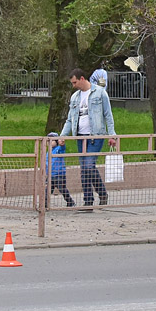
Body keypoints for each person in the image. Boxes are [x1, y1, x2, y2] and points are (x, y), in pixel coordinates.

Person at [58, 68, 117, 208]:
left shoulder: (100, 93)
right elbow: (70, 120)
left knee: (89, 165)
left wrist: (112, 134)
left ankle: (101, 193)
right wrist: (62, 136)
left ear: (82, 79)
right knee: (84, 168)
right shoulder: (75, 97)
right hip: (80, 137)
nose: (73, 85)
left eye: (75, 82)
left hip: (96, 136)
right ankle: (88, 200)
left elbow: (108, 115)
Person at [46, 132, 75, 208]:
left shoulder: (58, 149)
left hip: (59, 174)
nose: (49, 143)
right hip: (50, 175)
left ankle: (70, 201)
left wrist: (62, 144)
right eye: (47, 141)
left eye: (51, 141)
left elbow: (62, 148)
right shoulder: (47, 152)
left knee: (62, 189)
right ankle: (45, 203)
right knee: (47, 190)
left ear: (56, 142)